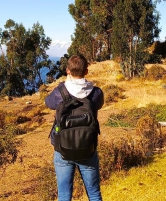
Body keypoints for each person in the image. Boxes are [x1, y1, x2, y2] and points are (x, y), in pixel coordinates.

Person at [45, 54, 104, 201]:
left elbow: (48, 102)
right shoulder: (96, 93)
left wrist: (62, 85)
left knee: (64, 195)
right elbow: (99, 104)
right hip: (87, 148)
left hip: (62, 149)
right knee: (94, 194)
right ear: (86, 72)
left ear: (67, 70)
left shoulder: (60, 92)